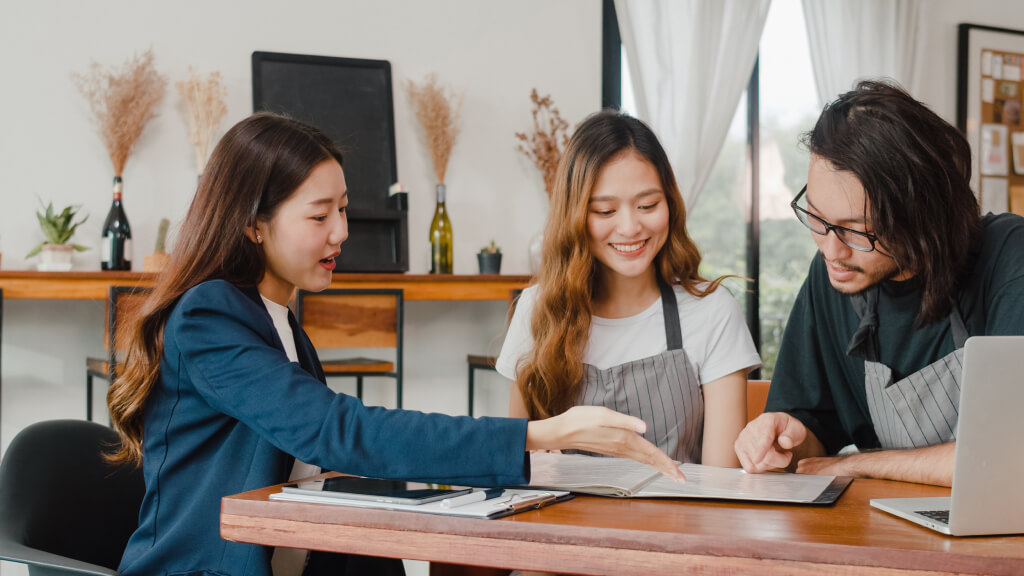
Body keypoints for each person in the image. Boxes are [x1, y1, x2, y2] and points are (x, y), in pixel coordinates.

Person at [105, 112, 684, 576]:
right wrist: (543, 433)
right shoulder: (209, 316)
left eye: (344, 209)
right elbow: (340, 431)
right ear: (254, 223)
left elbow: (328, 458)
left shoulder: (279, 321)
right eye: (319, 215)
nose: (342, 232)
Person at [734, 80, 1024, 487]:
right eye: (816, 218)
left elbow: (1006, 459)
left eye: (857, 232)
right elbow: (812, 435)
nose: (832, 251)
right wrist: (784, 438)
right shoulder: (831, 276)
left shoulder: (1009, 257)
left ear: (921, 219)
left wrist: (857, 464)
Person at [497, 110, 761, 467]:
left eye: (648, 205)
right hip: (561, 522)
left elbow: (723, 485)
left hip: (680, 522)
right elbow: (513, 460)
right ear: (574, 217)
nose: (630, 227)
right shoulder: (535, 309)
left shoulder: (712, 312)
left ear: (669, 202)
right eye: (605, 211)